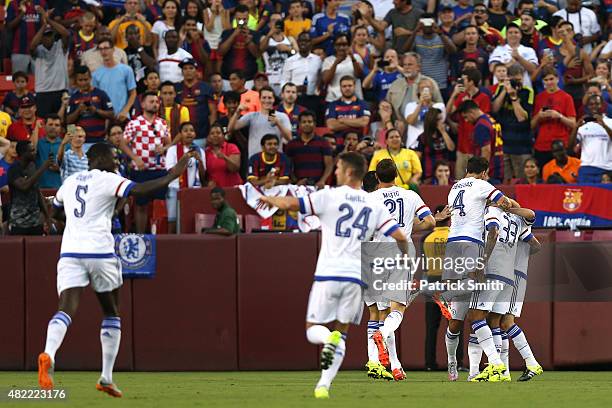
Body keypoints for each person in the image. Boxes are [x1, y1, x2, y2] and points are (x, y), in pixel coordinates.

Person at [37, 142, 195, 396]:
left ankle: (48, 353)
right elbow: (141, 189)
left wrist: (53, 219)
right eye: (113, 157)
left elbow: (54, 208)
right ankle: (106, 377)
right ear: (99, 158)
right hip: (100, 251)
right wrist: (173, 174)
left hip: (70, 251)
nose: (117, 161)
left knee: (65, 308)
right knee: (111, 312)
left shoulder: (71, 181)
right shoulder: (108, 178)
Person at [258, 151, 409, 399]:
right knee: (343, 332)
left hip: (328, 274)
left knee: (312, 330)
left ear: (349, 172)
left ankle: (327, 339)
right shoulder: (374, 204)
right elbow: (401, 237)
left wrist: (270, 198)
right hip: (357, 278)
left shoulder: (329, 196)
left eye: (338, 168)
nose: (335, 172)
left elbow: (292, 204)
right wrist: (403, 257)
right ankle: (323, 386)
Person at [439, 156, 512, 382]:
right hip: (472, 244)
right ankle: (490, 363)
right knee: (471, 313)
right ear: (483, 172)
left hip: (453, 244)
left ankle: (462, 363)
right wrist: (503, 204)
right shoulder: (483, 185)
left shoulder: (454, 187)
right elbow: (504, 203)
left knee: (458, 318)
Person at [370, 158, 435, 381]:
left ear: (376, 177)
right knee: (397, 311)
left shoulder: (370, 198)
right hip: (401, 253)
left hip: (375, 255)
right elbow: (430, 222)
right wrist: (407, 226)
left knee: (383, 314)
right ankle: (383, 337)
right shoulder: (410, 195)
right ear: (397, 174)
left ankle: (395, 365)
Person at [466, 201, 538, 382]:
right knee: (496, 321)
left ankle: (516, 363)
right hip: (509, 274)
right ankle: (502, 371)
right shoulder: (516, 219)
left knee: (485, 318)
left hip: (500, 270)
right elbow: (531, 216)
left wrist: (483, 262)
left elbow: (494, 232)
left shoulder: (492, 213)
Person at [120, 92, 171, 233]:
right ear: (143, 104)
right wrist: (135, 158)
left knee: (159, 204)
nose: (155, 104)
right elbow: (123, 144)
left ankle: (159, 234)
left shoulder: (162, 123)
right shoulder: (134, 123)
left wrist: (164, 148)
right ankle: (141, 236)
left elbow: (169, 143)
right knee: (140, 205)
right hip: (141, 170)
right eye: (151, 101)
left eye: (156, 101)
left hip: (159, 169)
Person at [491, 63, 534, 179]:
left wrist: (514, 97)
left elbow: (522, 117)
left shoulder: (528, 92)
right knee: (505, 183)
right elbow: (494, 108)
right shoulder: (501, 88)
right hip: (504, 145)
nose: (517, 83)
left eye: (519, 79)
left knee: (522, 181)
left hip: (522, 146)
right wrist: (505, 90)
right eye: (514, 80)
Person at [447, 68, 491, 179]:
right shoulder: (461, 97)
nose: (462, 82)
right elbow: (447, 112)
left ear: (471, 81)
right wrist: (454, 95)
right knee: (460, 179)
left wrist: (469, 103)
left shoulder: (483, 98)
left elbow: (483, 119)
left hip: (476, 146)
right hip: (462, 146)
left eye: (464, 79)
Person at [422, 204, 451, 371]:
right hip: (449, 281)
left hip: (432, 280)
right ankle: (457, 362)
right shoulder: (454, 236)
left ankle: (429, 364)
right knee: (454, 324)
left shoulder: (427, 237)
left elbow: (424, 264)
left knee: (431, 326)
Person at [228, 86, 291, 160]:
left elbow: (289, 138)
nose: (267, 100)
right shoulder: (252, 116)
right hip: (255, 160)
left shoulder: (281, 116)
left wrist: (278, 123)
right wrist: (237, 112)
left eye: (269, 98)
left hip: (275, 160)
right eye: (264, 97)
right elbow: (231, 128)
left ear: (274, 99)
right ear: (259, 99)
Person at [165, 122, 206, 234]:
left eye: (191, 130)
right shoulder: (172, 150)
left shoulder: (200, 151)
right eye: (186, 130)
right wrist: (184, 158)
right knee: (172, 223)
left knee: (192, 223)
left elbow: (203, 175)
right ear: (180, 134)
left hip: (194, 190)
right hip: (175, 189)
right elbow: (171, 172)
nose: (189, 133)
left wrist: (200, 161)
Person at [531, 67, 576, 168]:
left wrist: (559, 116)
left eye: (551, 79)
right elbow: (532, 125)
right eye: (546, 80)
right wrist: (539, 116)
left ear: (557, 79)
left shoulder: (566, 97)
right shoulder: (539, 98)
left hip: (560, 145)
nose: (549, 82)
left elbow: (573, 124)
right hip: (542, 145)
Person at [403, 13, 456, 98]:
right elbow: (405, 51)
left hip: (440, 84)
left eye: (429, 22)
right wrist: (415, 31)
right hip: (421, 84)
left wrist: (440, 33)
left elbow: (453, 51)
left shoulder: (442, 38)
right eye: (424, 22)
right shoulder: (416, 39)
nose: (427, 25)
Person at [387, 52, 443, 130]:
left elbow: (440, 106)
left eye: (410, 64)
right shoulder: (395, 84)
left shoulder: (429, 83)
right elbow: (387, 106)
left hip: (423, 128)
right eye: (404, 65)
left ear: (418, 67)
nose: (406, 67)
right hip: (399, 128)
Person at [30, 7, 69, 118]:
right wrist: (44, 25)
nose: (48, 38)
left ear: (53, 36)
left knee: (65, 123)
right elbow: (32, 46)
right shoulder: (39, 50)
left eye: (50, 35)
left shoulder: (60, 46)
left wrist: (49, 20)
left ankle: (69, 136)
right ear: (41, 37)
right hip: (43, 92)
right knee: (44, 123)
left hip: (61, 91)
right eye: (45, 36)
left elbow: (66, 34)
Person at [7, 140, 52, 235]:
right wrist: (43, 167)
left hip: (35, 221)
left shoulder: (32, 166)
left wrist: (47, 216)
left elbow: (37, 192)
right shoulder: (14, 169)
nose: (34, 152)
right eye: (31, 151)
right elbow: (24, 186)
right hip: (18, 222)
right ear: (23, 153)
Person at [67, 65, 115, 146]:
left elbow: (111, 114)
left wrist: (96, 110)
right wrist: (78, 111)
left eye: (86, 79)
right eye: (80, 80)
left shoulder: (101, 94)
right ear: (76, 81)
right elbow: (68, 121)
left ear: (90, 78)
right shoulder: (73, 97)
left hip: (100, 141)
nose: (83, 83)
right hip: (81, 143)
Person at [458, 100, 505, 183]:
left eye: (466, 117)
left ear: (471, 112)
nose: (466, 120)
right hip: (499, 165)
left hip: (490, 171)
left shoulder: (481, 125)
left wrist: (482, 172)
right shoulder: (490, 119)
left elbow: (486, 150)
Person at [92, 39, 137, 124]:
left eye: (106, 48)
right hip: (106, 119)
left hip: (123, 117)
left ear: (113, 49)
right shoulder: (96, 74)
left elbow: (133, 93)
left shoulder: (126, 70)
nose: (103, 51)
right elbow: (96, 97)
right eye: (100, 49)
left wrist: (125, 110)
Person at [175, 58, 217, 147]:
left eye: (191, 68)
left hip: (202, 135)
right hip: (180, 136)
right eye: (185, 69)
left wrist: (211, 132)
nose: (188, 71)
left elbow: (213, 112)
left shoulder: (206, 88)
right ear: (182, 72)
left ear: (196, 70)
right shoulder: (176, 88)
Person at [285, 111, 333, 188]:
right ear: (299, 125)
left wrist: (322, 181)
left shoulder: (323, 142)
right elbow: (287, 166)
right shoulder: (292, 144)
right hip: (298, 186)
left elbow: (329, 165)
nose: (307, 124)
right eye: (304, 122)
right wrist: (296, 181)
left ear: (314, 124)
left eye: (310, 122)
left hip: (318, 186)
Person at [570, 95, 612, 183]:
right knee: (585, 196)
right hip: (586, 167)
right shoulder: (583, 125)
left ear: (603, 105)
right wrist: (576, 128)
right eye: (591, 104)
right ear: (588, 107)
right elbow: (571, 146)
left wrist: (604, 125)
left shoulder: (610, 122)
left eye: (597, 104)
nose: (594, 107)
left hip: (606, 168)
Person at [280, 31, 323, 118]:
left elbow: (321, 79)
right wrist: (295, 89)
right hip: (295, 99)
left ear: (311, 43)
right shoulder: (290, 61)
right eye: (301, 40)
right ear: (298, 42)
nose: (303, 43)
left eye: (306, 41)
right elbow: (284, 81)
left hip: (313, 99)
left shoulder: (318, 60)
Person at [218, 5, 261, 84]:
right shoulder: (227, 33)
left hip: (248, 78)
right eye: (239, 19)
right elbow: (221, 52)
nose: (242, 21)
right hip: (228, 78)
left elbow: (257, 55)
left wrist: (248, 41)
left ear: (248, 18)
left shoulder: (255, 34)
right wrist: (234, 35)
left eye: (244, 19)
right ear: (235, 18)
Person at [488, 23, 538, 89]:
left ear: (521, 35)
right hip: (501, 88)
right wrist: (510, 63)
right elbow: (492, 68)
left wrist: (519, 58)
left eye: (516, 32)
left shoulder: (529, 50)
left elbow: (533, 69)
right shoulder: (498, 50)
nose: (513, 35)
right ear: (506, 35)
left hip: (524, 88)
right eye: (510, 33)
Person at [325, 76, 371, 146]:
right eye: (344, 86)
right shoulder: (333, 105)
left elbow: (364, 122)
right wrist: (355, 123)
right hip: (338, 141)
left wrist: (342, 120)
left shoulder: (363, 104)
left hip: (358, 141)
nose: (347, 88)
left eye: (350, 86)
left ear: (354, 87)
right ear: (340, 88)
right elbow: (331, 125)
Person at [260, 12, 298, 95]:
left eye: (279, 20)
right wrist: (270, 33)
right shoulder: (265, 39)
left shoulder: (290, 39)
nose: (277, 23)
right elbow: (261, 49)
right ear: (269, 24)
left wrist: (288, 49)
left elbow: (297, 54)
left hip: (286, 80)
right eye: (274, 20)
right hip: (270, 79)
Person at [321, 33, 364, 103]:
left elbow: (359, 75)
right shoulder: (328, 60)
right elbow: (326, 80)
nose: (341, 47)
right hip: (334, 99)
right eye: (338, 45)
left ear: (348, 45)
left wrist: (352, 57)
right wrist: (336, 63)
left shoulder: (356, 57)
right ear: (334, 46)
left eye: (344, 44)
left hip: (355, 98)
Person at [404, 78, 446, 149]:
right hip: (414, 144)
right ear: (418, 91)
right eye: (422, 88)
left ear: (432, 90)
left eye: (428, 88)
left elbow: (437, 122)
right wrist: (421, 103)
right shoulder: (410, 105)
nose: (425, 90)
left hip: (432, 145)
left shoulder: (439, 105)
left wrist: (428, 104)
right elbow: (411, 121)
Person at [6, 0, 45, 74]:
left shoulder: (42, 3)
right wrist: (22, 13)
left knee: (40, 81)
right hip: (19, 51)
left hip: (38, 51)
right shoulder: (13, 4)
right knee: (19, 81)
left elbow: (46, 26)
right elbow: (9, 26)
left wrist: (43, 14)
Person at [417, 109, 455, 182]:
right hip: (429, 175)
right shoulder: (423, 137)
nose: (441, 122)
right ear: (432, 120)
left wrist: (443, 132)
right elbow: (418, 157)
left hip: (445, 173)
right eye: (438, 119)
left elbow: (451, 148)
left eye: (441, 119)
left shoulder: (445, 133)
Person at [204, 123, 242, 187]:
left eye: (218, 133)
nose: (215, 135)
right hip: (216, 192)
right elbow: (204, 175)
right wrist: (208, 183)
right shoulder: (206, 152)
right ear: (209, 137)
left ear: (223, 135)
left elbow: (235, 168)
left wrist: (224, 157)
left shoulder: (232, 147)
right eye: (212, 133)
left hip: (233, 188)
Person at [35, 114, 62, 188]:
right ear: (44, 126)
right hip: (40, 188)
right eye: (50, 124)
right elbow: (32, 148)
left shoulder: (66, 145)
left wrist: (59, 169)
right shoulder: (38, 143)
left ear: (61, 128)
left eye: (57, 125)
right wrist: (37, 127)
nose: (53, 127)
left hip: (60, 188)